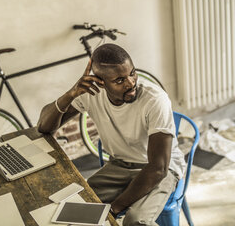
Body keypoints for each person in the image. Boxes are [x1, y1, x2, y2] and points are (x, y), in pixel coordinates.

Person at [38, 43, 186, 226]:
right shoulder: (90, 93)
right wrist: (71, 93)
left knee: (135, 221)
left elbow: (158, 168)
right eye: (119, 80)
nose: (131, 83)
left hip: (160, 169)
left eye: (132, 73)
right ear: (100, 82)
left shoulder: (155, 100)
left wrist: (114, 208)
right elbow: (44, 127)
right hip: (120, 165)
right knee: (73, 206)